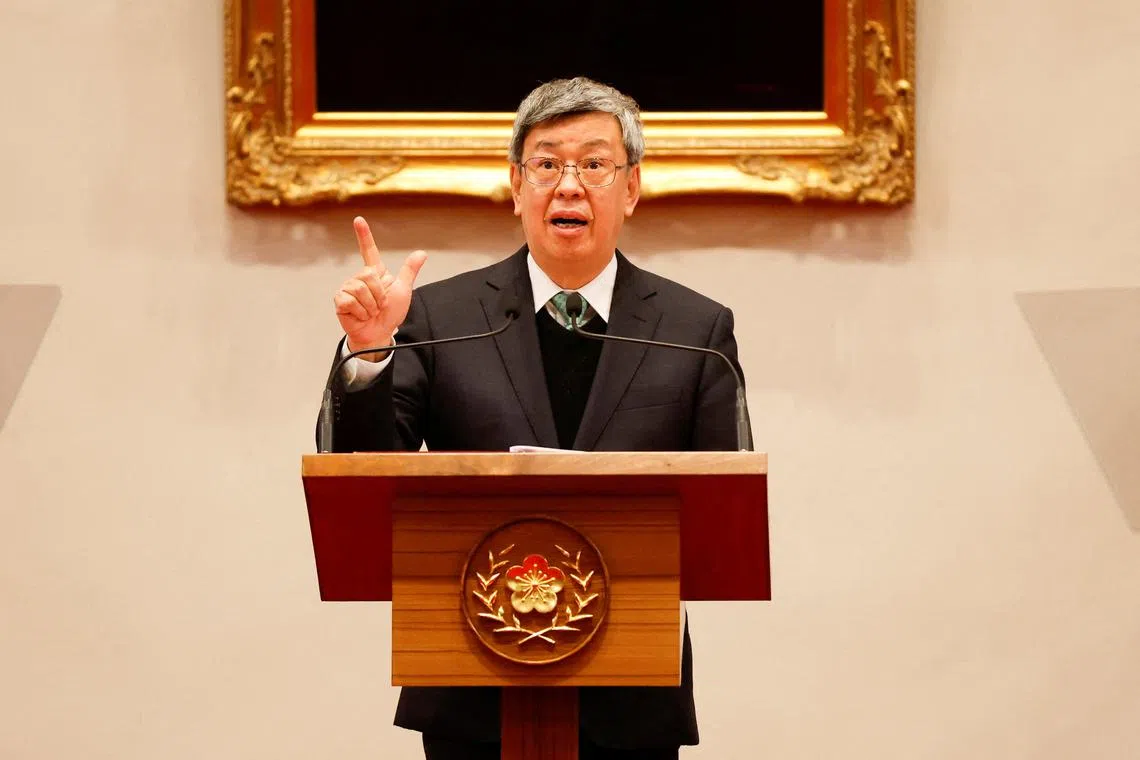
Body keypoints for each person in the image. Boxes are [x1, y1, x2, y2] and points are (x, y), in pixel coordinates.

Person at [324, 77, 748, 760]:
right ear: (516, 186)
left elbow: (721, 525)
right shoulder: (438, 320)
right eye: (547, 163)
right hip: (473, 696)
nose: (569, 185)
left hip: (631, 706)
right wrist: (371, 354)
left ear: (632, 188)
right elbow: (362, 479)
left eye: (594, 164)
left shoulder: (693, 329)